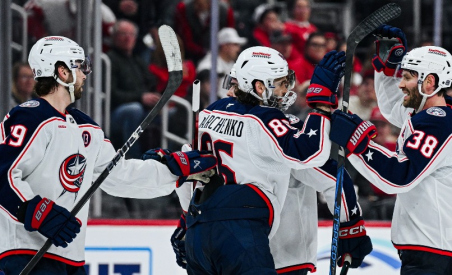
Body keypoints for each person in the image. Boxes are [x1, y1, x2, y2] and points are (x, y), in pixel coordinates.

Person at [0, 36, 217, 274]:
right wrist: (35, 210)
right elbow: (4, 174)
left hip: (71, 259)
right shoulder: (29, 117)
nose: (85, 73)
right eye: (80, 66)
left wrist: (174, 169)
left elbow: (119, 177)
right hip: (24, 255)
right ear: (62, 71)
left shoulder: (86, 127)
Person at [166, 67, 371, 274]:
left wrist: (188, 221)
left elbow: (189, 177)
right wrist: (350, 226)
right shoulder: (284, 131)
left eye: (234, 85)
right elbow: (333, 177)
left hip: (225, 247)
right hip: (282, 255)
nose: (229, 91)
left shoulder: (213, 122)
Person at [330, 25, 452, 275]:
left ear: (429, 82)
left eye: (407, 76)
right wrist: (388, 70)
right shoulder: (438, 113)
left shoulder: (439, 122)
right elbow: (391, 107)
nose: (401, 84)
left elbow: (399, 176)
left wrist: (359, 142)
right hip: (436, 246)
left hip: (435, 249)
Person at [107, 19, 159, 159]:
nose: (128, 38)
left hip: (141, 108)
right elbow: (111, 95)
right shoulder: (109, 60)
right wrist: (140, 97)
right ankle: (133, 158)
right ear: (114, 36)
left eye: (131, 34)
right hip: (114, 112)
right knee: (134, 110)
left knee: (170, 113)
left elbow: (151, 83)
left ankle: (164, 158)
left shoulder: (137, 61)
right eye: (123, 33)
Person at [197, 27, 247, 98]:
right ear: (225, 46)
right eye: (235, 45)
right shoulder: (208, 65)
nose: (238, 49)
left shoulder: (231, 64)